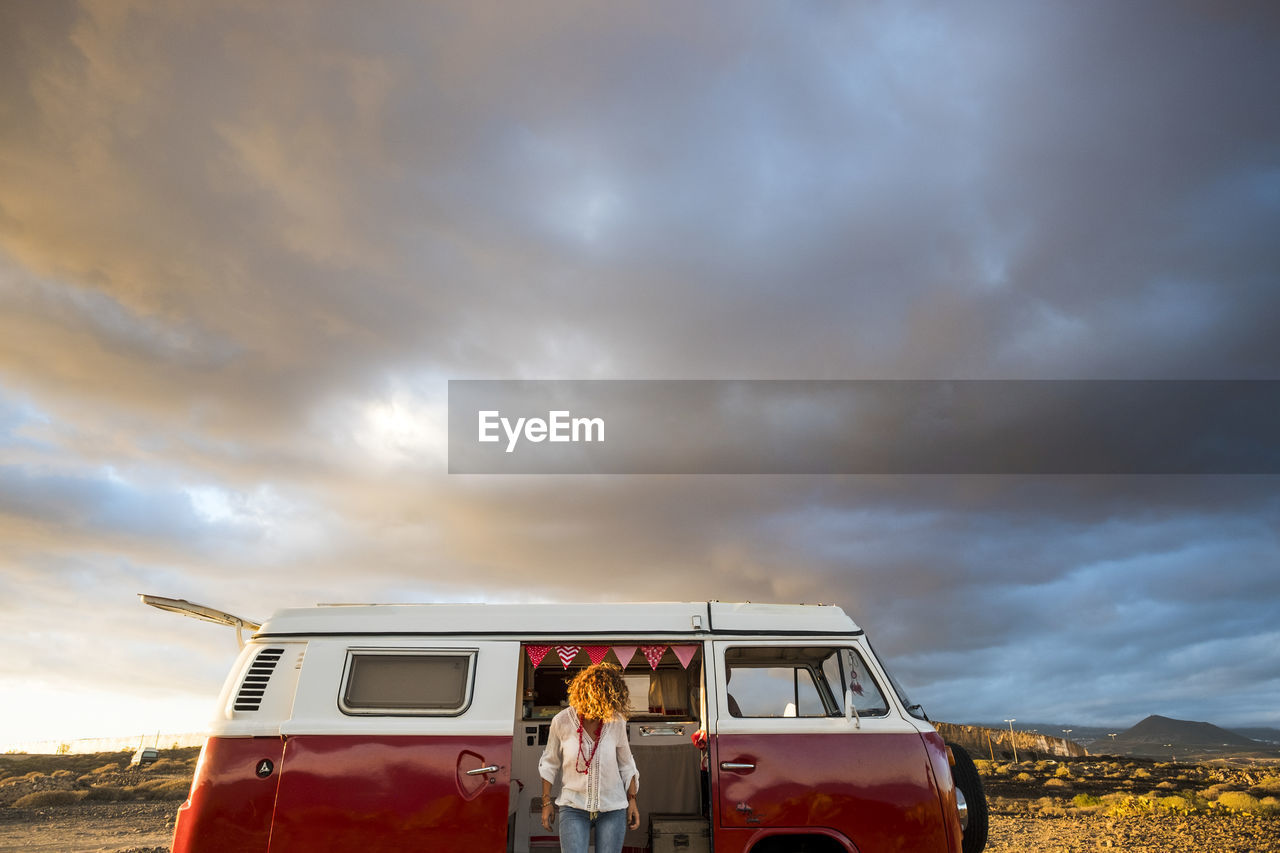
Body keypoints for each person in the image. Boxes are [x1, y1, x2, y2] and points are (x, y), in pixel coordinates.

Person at [539, 662, 640, 853]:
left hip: (613, 808)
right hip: (573, 807)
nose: (606, 710)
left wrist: (632, 800)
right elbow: (549, 762)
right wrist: (546, 802)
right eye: (602, 704)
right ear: (587, 697)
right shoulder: (561, 721)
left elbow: (627, 764)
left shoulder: (616, 721)